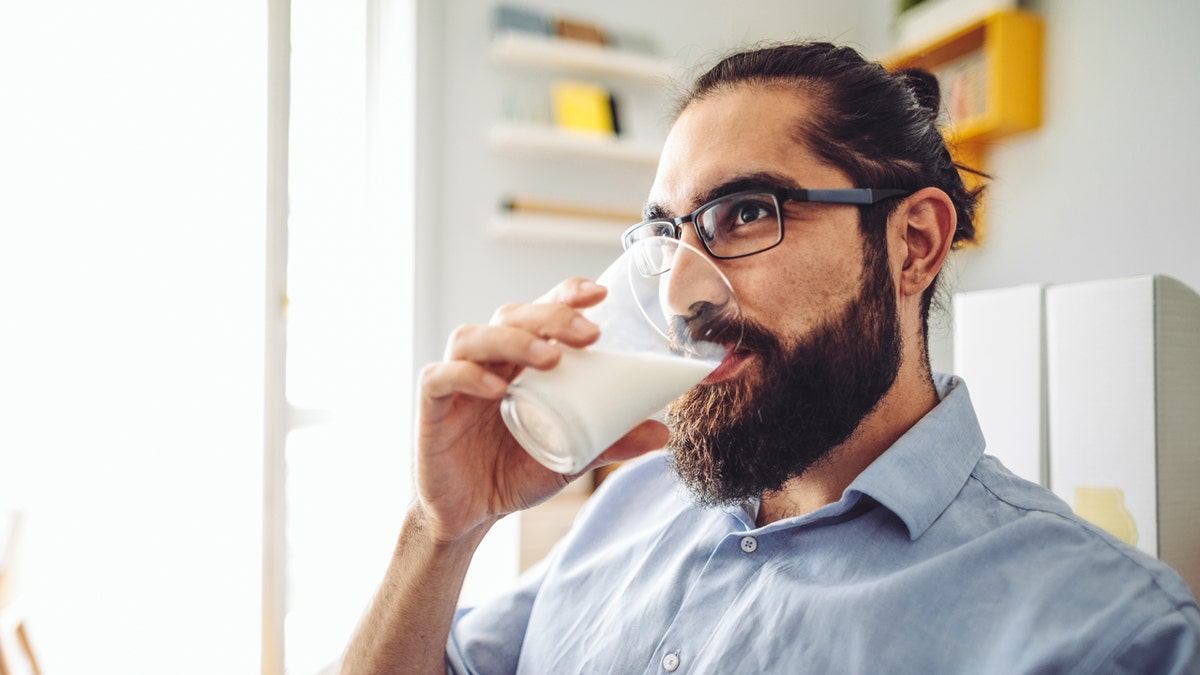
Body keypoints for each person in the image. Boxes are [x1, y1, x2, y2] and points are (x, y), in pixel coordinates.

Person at [339, 41, 1200, 673]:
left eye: (745, 212)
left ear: (914, 243)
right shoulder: (631, 503)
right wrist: (441, 532)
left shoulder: (1109, 632)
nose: (680, 291)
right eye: (667, 235)